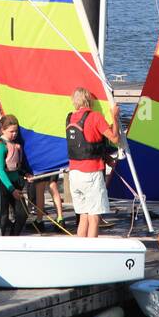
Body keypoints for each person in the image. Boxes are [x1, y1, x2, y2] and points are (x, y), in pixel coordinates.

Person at [65, 87, 120, 239]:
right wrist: (114, 117)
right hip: (91, 175)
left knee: (83, 216)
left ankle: (80, 251)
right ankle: (92, 252)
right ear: (89, 100)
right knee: (94, 217)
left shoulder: (70, 118)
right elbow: (115, 139)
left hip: (74, 174)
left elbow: (88, 141)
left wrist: (106, 157)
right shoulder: (95, 117)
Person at [0, 115, 29, 236]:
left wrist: (25, 173)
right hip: (1, 183)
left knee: (23, 214)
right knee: (3, 216)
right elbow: (1, 170)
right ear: (2, 129)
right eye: (11, 131)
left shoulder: (14, 144)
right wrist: (12, 190)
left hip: (14, 183)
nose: (14, 134)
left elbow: (15, 167)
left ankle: (12, 238)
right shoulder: (0, 146)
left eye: (16, 131)